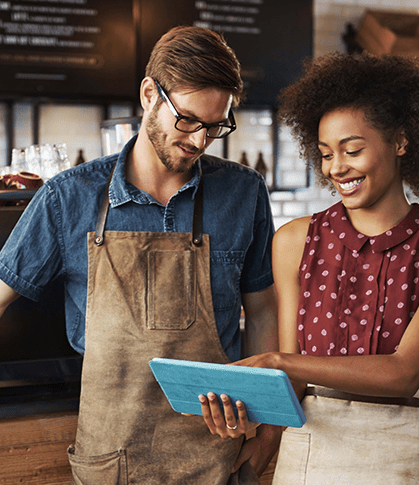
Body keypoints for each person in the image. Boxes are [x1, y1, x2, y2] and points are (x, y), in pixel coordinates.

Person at [0, 26, 281, 484]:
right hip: (111, 459)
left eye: (216, 126)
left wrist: (267, 429)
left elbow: (264, 309)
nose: (199, 141)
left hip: (217, 457)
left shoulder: (243, 192)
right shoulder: (68, 198)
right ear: (150, 94)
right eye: (188, 120)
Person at [199, 52, 419, 484]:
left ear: (401, 141)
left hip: (403, 452)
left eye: (352, 150)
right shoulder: (293, 241)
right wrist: (246, 418)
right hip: (309, 449)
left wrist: (280, 361)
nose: (336, 168)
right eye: (326, 153)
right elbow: (290, 387)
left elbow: (404, 373)